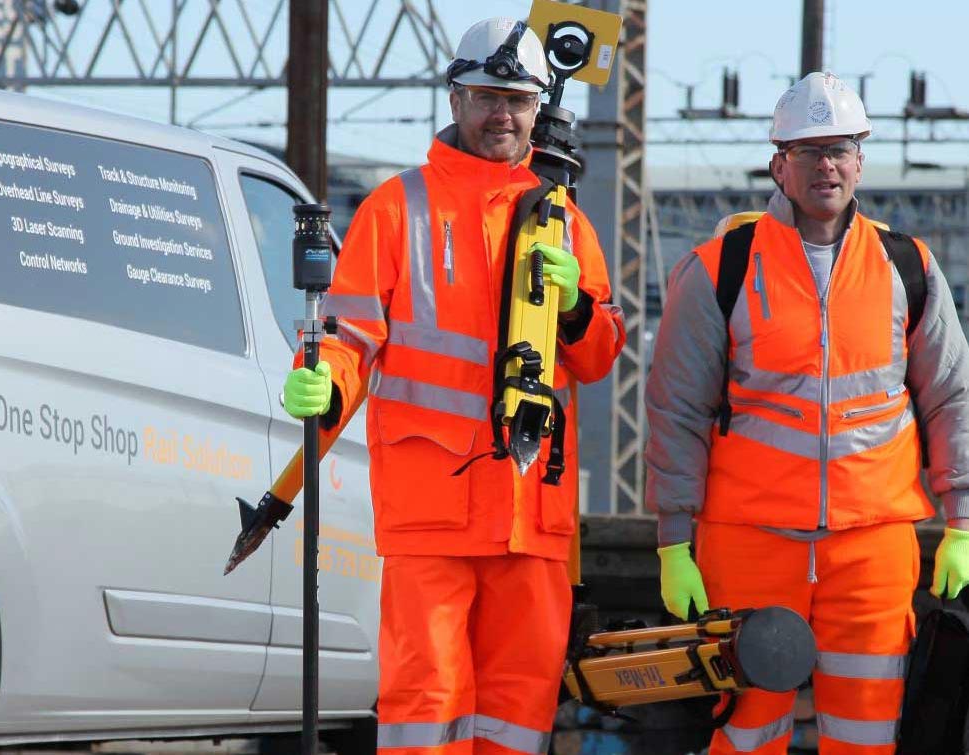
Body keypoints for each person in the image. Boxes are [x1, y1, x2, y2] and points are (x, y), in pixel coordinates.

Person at [282, 17, 625, 755]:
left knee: (517, 708)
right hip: (431, 511)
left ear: (539, 107)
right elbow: (349, 340)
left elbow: (599, 357)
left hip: (532, 512)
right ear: (455, 99)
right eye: (485, 96)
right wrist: (325, 386)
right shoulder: (395, 209)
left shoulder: (565, 220)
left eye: (516, 99)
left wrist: (574, 308)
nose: (501, 113)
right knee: (425, 698)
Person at [645, 71, 969, 754]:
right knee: (742, 734)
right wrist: (675, 540)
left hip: (872, 550)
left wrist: (963, 519)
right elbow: (675, 409)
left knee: (869, 735)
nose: (826, 165)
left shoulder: (906, 266)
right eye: (808, 150)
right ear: (778, 165)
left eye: (840, 148)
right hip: (748, 544)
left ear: (859, 160)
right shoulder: (717, 268)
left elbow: (951, 396)